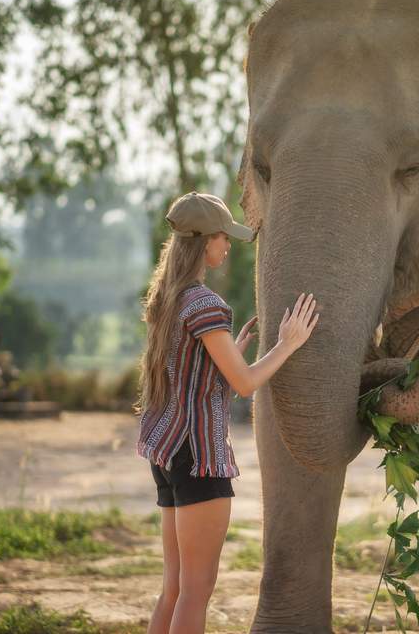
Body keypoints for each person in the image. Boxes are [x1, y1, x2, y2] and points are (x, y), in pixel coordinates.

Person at [133, 191, 319, 634]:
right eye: (222, 237)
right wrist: (287, 344)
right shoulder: (206, 305)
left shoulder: (168, 299)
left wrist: (229, 354)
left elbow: (191, 379)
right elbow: (246, 383)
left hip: (169, 453)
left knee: (174, 589)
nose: (228, 245)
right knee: (196, 593)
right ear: (203, 241)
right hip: (199, 460)